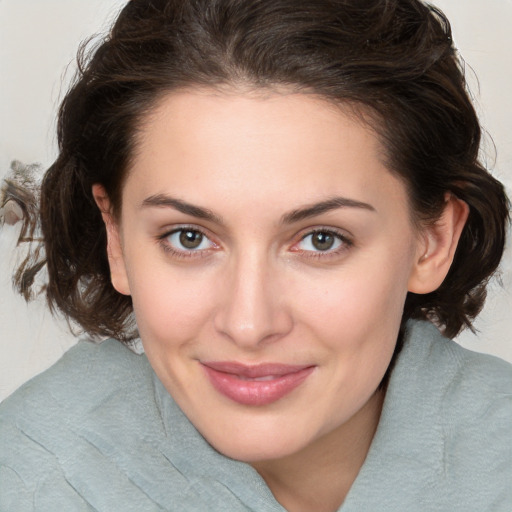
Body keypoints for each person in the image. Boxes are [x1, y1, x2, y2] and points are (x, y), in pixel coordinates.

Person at [0, 0, 511, 510]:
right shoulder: (28, 477)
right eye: (188, 237)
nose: (248, 324)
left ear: (432, 241)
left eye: (321, 240)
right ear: (116, 239)